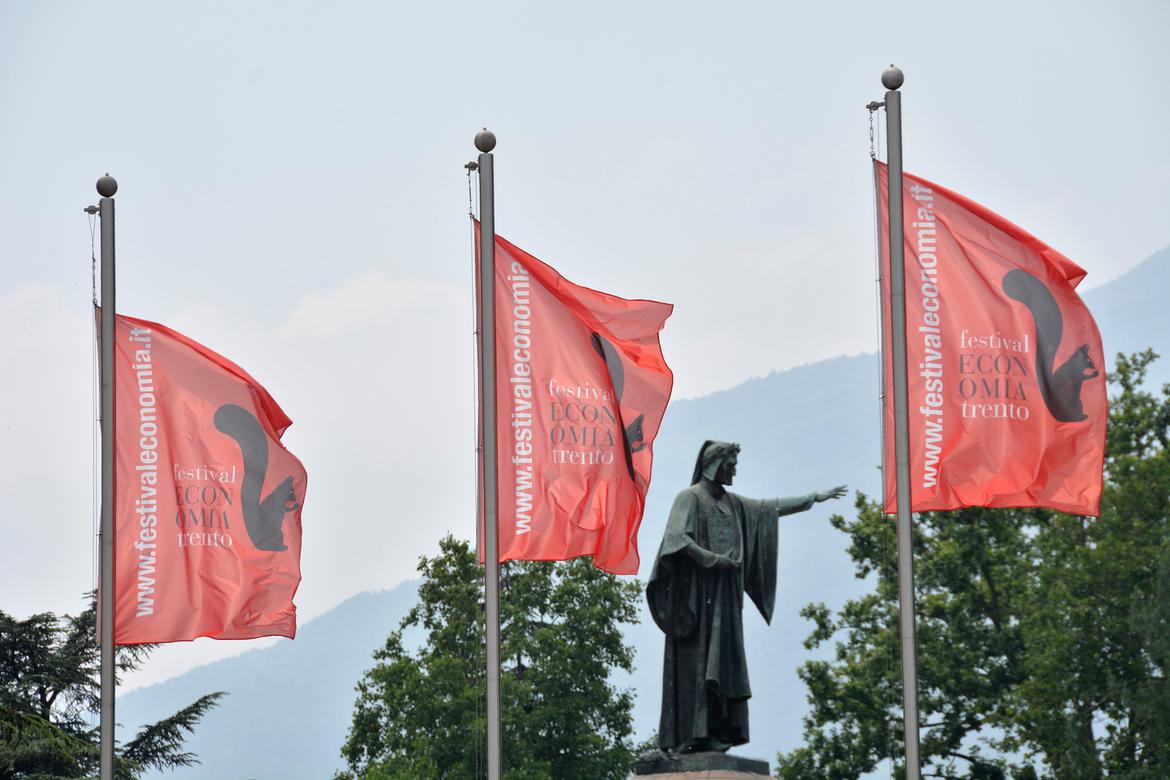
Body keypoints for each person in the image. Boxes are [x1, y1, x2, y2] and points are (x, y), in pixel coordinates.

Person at [646, 440, 846, 753]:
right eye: (732, 464)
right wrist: (714, 560)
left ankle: (717, 730)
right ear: (716, 464)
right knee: (698, 664)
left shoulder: (733, 503)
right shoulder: (690, 497)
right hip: (698, 601)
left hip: (725, 601)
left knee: (723, 665)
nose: (735, 471)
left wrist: (813, 498)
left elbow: (771, 508)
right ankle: (693, 735)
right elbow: (677, 540)